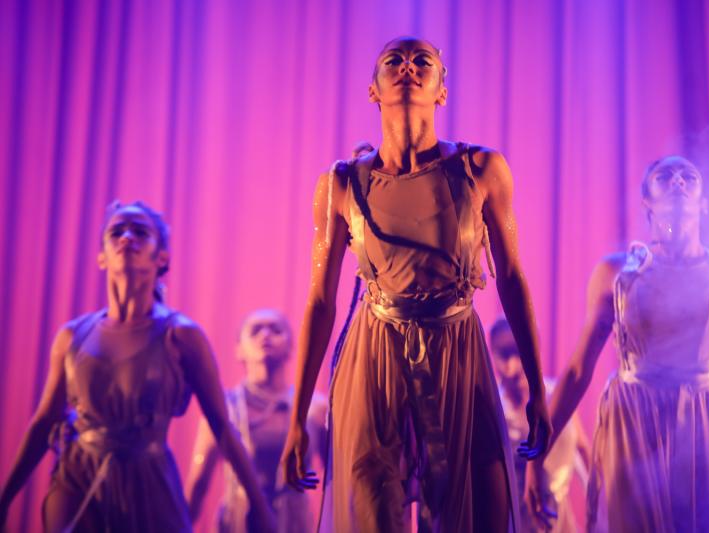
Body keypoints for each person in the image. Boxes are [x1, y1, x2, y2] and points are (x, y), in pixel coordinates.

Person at [280, 36, 552, 532]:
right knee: (373, 505)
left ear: (441, 90)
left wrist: (538, 386)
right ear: (373, 89)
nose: (408, 66)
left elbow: (512, 278)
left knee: (479, 507)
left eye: (422, 60)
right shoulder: (341, 183)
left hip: (458, 355)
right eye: (394, 60)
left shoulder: (482, 169)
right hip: (375, 358)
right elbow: (320, 300)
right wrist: (297, 418)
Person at [529, 156, 709, 532]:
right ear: (647, 202)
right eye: (665, 176)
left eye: (689, 176)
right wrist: (536, 458)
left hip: (706, 427)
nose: (678, 181)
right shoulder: (616, 274)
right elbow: (576, 371)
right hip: (631, 426)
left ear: (704, 203)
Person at [0, 201, 272, 532]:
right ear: (102, 257)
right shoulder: (72, 337)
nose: (127, 237)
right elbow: (45, 420)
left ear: (162, 258)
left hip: (148, 483)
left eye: (140, 232)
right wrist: (5, 497)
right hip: (77, 478)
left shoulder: (182, 336)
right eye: (116, 231)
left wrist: (260, 507)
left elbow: (222, 427)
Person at [184, 308, 326, 532]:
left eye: (275, 330)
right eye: (256, 330)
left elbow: (337, 482)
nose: (265, 335)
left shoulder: (315, 409)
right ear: (239, 349)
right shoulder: (223, 408)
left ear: (291, 347)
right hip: (239, 522)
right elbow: (198, 485)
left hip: (294, 524)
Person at [489, 317, 590, 533]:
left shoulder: (556, 398)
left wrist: (598, 505)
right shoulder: (494, 408)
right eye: (504, 355)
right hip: (516, 521)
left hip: (558, 519)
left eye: (519, 353)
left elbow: (582, 450)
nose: (513, 366)